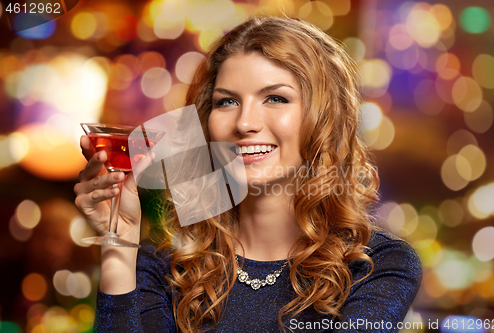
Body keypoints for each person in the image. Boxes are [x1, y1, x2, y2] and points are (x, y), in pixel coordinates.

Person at [74, 16, 422, 333]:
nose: (244, 123)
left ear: (324, 119)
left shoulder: (376, 267)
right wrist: (118, 245)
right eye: (227, 102)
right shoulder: (161, 271)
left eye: (275, 99)